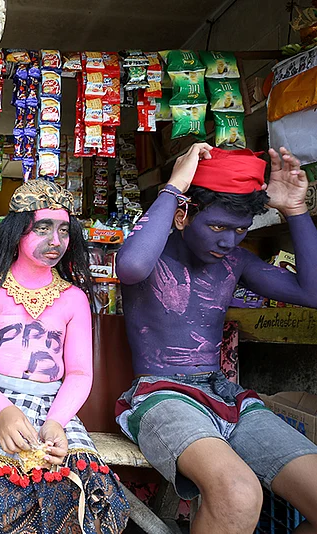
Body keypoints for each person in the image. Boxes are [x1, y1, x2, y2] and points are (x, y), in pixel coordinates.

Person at [116, 144, 317, 534]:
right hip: (161, 394)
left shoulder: (235, 262)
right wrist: (175, 184)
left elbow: (312, 293)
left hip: (227, 397)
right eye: (218, 226)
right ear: (181, 215)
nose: (228, 241)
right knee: (238, 494)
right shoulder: (153, 254)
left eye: (239, 230)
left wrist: (295, 210)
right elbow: (131, 266)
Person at [0, 180, 130, 533]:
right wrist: (4, 411)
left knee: (91, 502)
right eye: (43, 228)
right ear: (16, 231)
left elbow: (79, 374)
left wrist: (57, 421)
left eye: (64, 231)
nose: (55, 242)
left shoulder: (74, 298)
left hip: (52, 408)